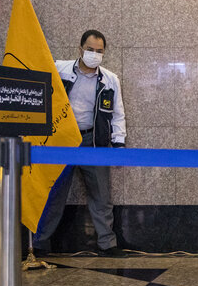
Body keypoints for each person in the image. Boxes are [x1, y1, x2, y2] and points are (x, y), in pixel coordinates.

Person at [33, 30, 127, 258]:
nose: (94, 54)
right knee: (53, 193)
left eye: (99, 51)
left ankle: (107, 244)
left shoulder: (110, 80)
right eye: (90, 49)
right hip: (61, 140)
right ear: (80, 49)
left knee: (101, 195)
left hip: (93, 141)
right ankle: (39, 243)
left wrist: (119, 143)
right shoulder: (59, 69)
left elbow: (117, 113)